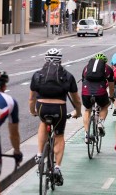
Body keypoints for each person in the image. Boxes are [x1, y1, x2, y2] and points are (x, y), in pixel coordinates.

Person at [29, 48, 82, 186]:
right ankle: (57, 168)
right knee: (59, 136)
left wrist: (33, 111)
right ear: (61, 60)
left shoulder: (37, 75)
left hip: (42, 107)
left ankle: (40, 155)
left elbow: (31, 98)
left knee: (42, 123)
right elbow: (76, 100)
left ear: (46, 59)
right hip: (59, 109)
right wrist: (78, 112)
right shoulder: (67, 75)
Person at [81, 53, 114, 143]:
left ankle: (86, 135)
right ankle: (100, 123)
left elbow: (83, 81)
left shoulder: (86, 67)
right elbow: (111, 86)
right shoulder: (108, 68)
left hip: (86, 91)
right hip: (100, 91)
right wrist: (111, 96)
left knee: (87, 110)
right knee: (105, 105)